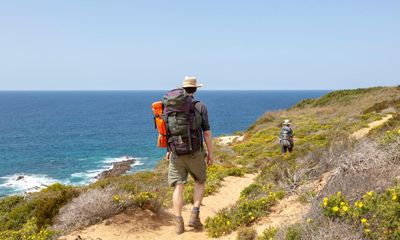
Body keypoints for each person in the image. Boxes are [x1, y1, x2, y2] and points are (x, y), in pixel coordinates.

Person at [165, 76, 213, 235]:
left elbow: (167, 131)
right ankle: (195, 215)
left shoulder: (170, 107)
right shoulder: (200, 106)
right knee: (200, 181)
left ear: (183, 89)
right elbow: (206, 133)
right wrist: (210, 154)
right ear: (196, 89)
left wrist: (168, 150)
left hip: (176, 153)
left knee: (179, 186)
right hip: (195, 152)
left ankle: (179, 223)